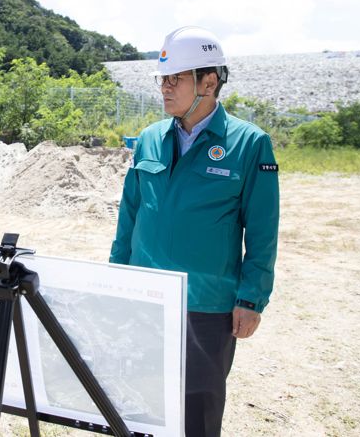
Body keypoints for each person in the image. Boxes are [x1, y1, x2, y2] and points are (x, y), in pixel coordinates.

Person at [109, 26, 279, 437]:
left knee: (197, 411)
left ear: (209, 82)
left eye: (175, 79)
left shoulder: (249, 144)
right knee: (139, 403)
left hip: (206, 304)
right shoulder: (149, 139)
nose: (165, 88)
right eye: (162, 79)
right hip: (146, 296)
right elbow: (129, 214)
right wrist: (115, 275)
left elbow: (262, 231)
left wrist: (251, 298)